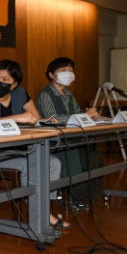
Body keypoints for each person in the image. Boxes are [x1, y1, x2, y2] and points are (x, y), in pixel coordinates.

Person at [0, 59, 68, 229]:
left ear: (14, 84)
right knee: (29, 165)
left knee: (54, 163)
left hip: (20, 149)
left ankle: (44, 207)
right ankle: (40, 214)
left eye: (5, 79)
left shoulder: (20, 94)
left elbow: (35, 117)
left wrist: (44, 121)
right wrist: (18, 118)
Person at [35, 57, 104, 211]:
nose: (68, 73)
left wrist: (88, 115)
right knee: (73, 154)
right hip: (54, 140)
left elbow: (77, 114)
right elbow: (52, 118)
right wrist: (81, 116)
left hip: (72, 138)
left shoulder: (69, 94)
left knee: (94, 156)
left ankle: (85, 195)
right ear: (51, 74)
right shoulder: (45, 94)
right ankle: (69, 197)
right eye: (63, 70)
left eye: (71, 71)